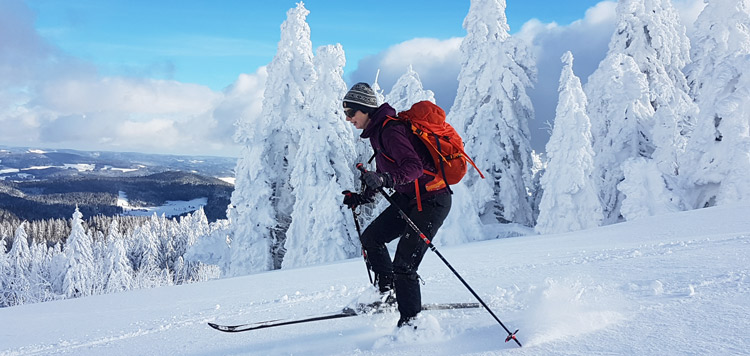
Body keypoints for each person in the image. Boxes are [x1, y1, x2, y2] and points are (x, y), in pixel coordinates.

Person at [341, 82, 452, 328]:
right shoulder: (378, 133)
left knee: (404, 265)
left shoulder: (391, 131)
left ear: (366, 109)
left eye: (351, 112)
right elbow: (386, 169)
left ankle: (411, 325)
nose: (348, 118)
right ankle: (387, 293)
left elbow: (412, 167)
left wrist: (384, 179)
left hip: (431, 200)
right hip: (409, 198)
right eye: (345, 113)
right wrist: (363, 196)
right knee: (372, 238)